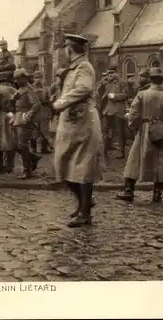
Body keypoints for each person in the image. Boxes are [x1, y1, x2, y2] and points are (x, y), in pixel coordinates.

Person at [52, 34, 103, 228]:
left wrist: (59, 104)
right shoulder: (73, 68)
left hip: (84, 121)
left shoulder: (84, 67)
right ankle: (85, 202)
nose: (65, 51)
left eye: (66, 48)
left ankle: (85, 212)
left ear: (70, 49)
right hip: (72, 122)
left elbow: (83, 89)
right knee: (63, 163)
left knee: (82, 166)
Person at [116, 67, 163, 203]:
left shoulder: (142, 94)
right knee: (162, 162)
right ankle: (157, 194)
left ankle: (129, 191)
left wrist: (134, 127)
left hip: (145, 129)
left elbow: (133, 114)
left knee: (135, 160)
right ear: (162, 81)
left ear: (150, 80)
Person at [10, 68, 42, 179]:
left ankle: (27, 171)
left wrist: (28, 115)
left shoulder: (29, 90)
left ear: (24, 78)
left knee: (22, 145)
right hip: (17, 118)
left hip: (24, 119)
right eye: (16, 79)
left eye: (18, 79)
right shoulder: (20, 89)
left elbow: (37, 104)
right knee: (15, 145)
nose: (17, 81)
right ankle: (33, 157)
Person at [101, 65, 128, 159]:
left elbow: (125, 95)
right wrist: (102, 84)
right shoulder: (107, 83)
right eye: (109, 73)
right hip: (107, 110)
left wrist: (115, 96)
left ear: (117, 72)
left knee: (120, 131)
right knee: (104, 130)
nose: (110, 75)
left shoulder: (123, 83)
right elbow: (101, 94)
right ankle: (104, 149)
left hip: (118, 109)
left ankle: (120, 152)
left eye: (112, 73)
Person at [30, 70, 52, 153]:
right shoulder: (30, 88)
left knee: (44, 130)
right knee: (34, 130)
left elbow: (50, 99)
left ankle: (44, 148)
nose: (38, 80)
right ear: (33, 79)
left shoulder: (47, 88)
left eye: (40, 77)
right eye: (36, 78)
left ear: (43, 78)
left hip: (44, 111)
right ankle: (33, 148)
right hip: (34, 111)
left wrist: (48, 102)